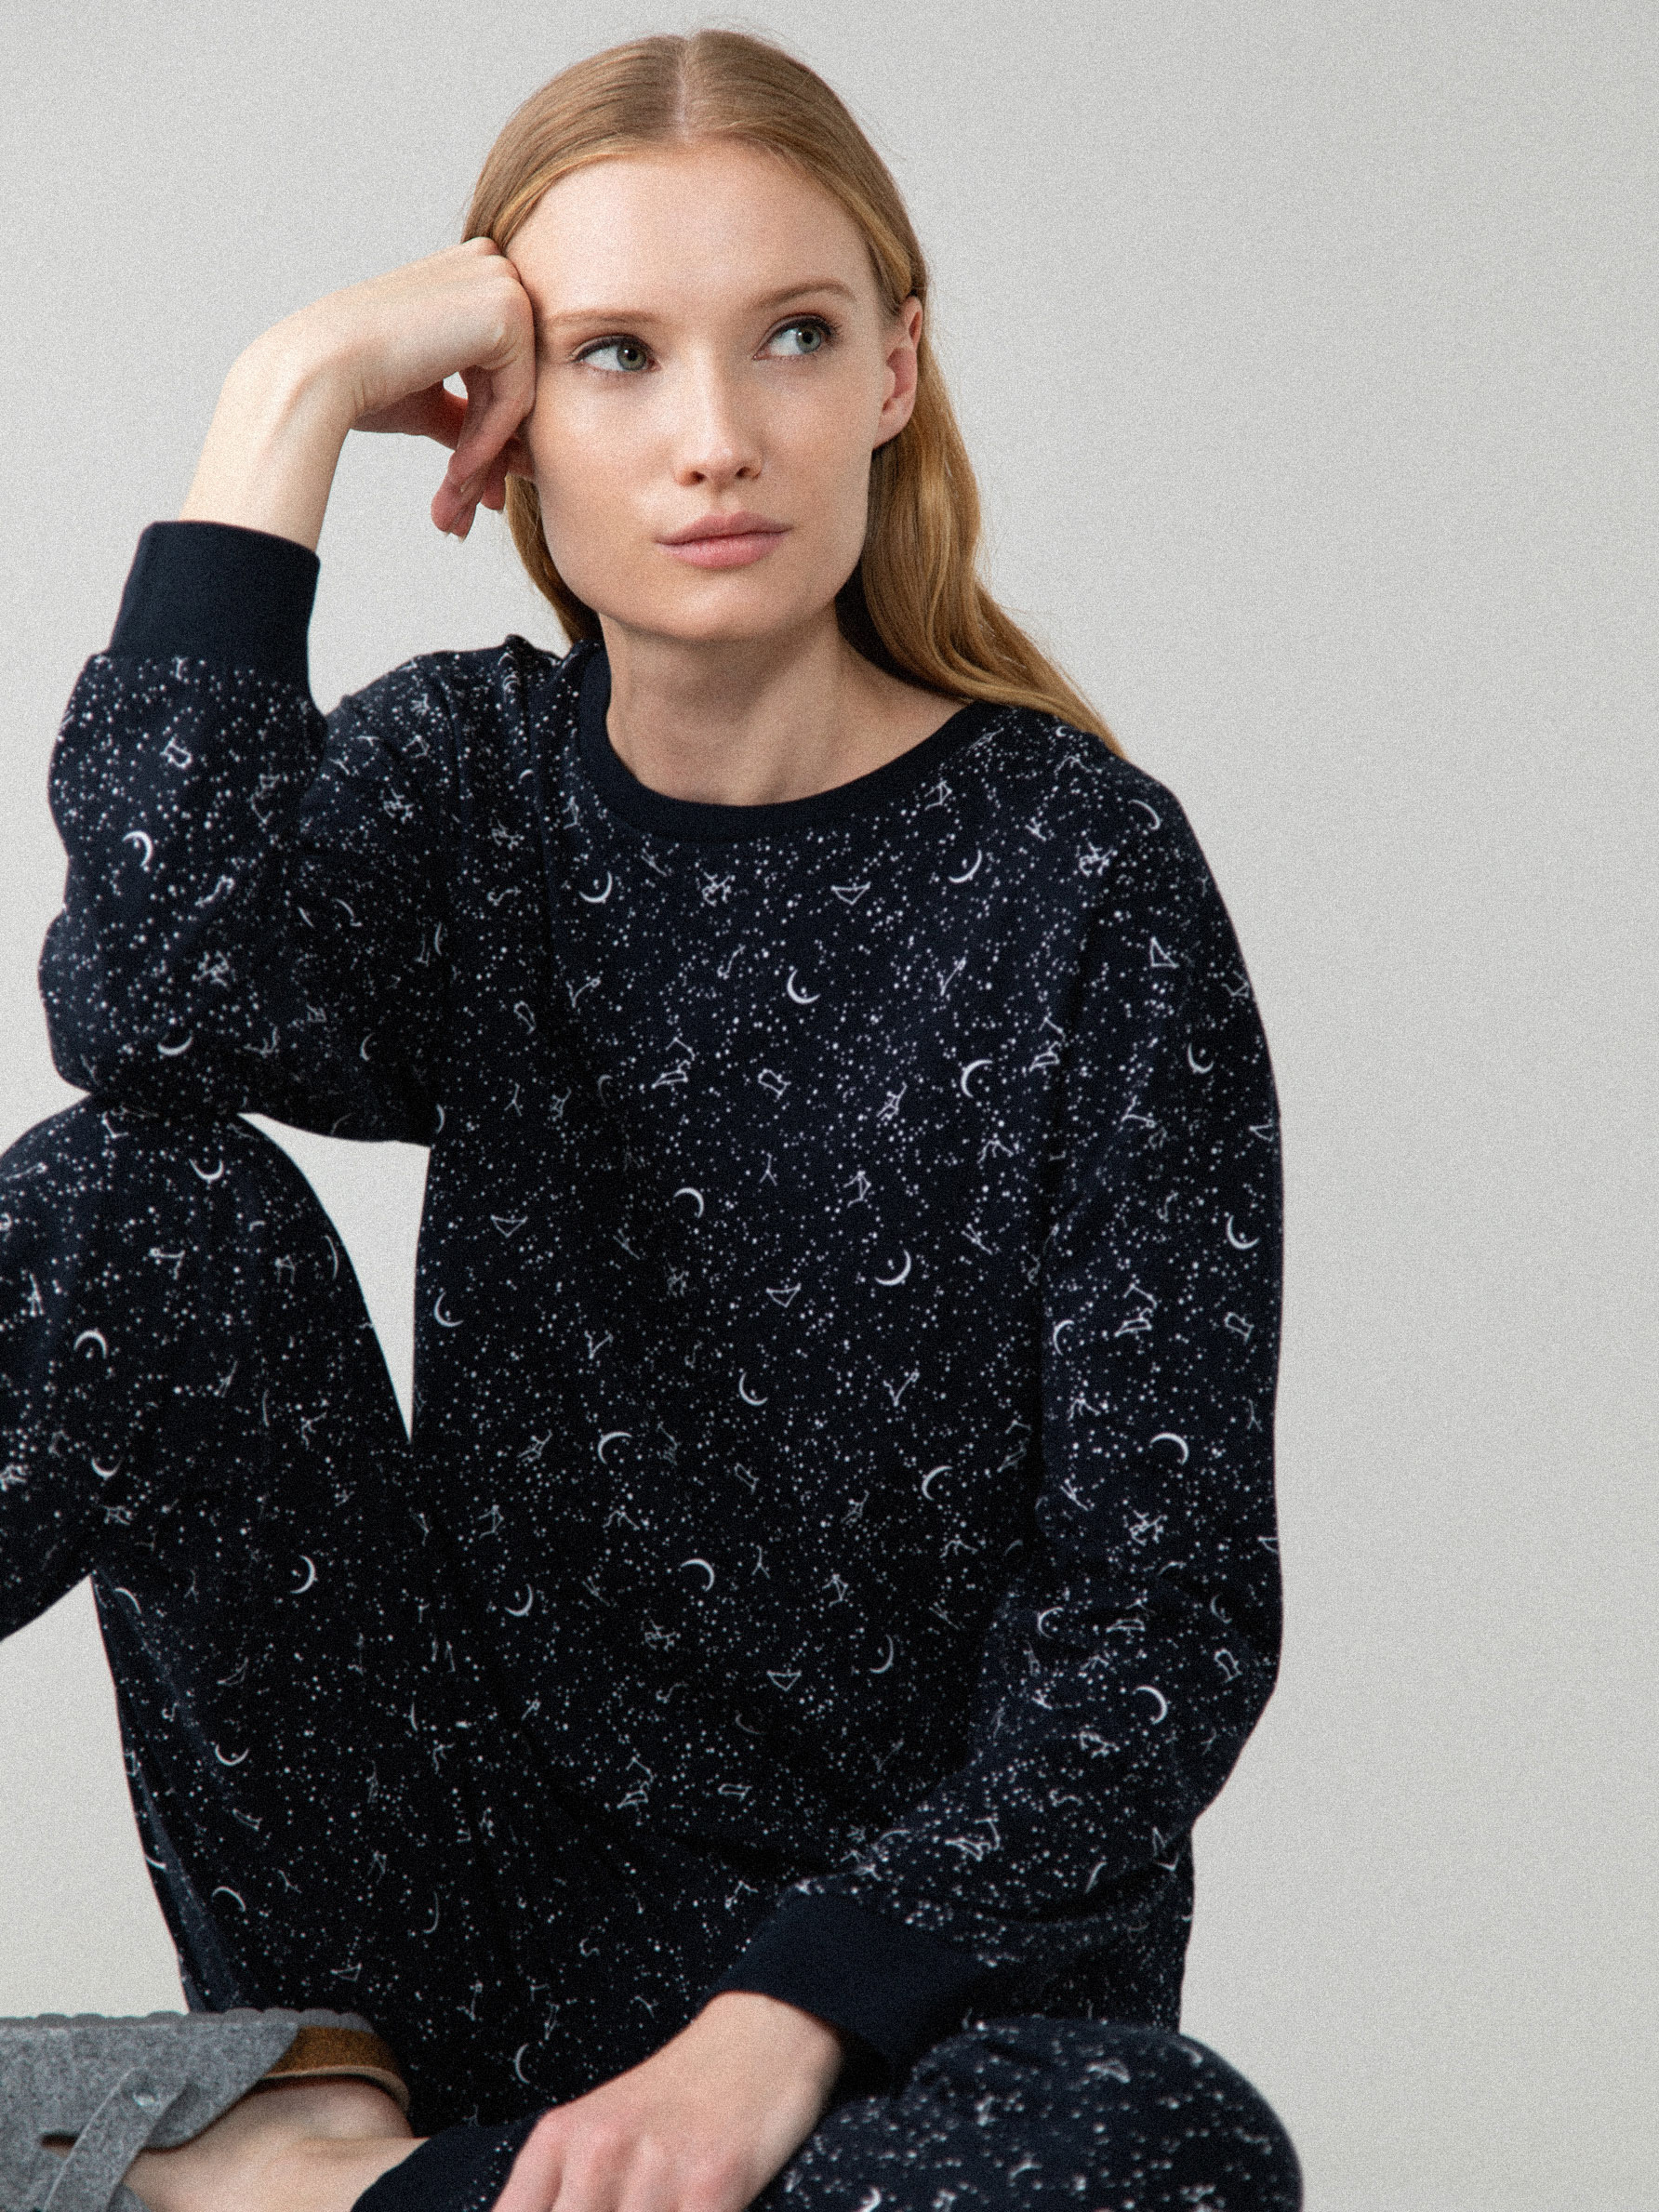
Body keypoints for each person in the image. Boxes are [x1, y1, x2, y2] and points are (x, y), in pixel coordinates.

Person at [0, 28, 1300, 2212]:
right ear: (508, 426)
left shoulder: (1084, 879)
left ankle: (293, 2181)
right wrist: (287, 395)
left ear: (893, 369)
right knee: (140, 1204)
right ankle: (382, 2150)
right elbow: (148, 1000)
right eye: (613, 354)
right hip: (446, 1917)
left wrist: (772, 2031)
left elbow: (1157, 1619)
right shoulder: (469, 789)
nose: (717, 436)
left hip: (896, 2029)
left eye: (792, 335)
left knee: (1162, 2154)